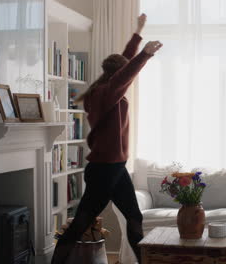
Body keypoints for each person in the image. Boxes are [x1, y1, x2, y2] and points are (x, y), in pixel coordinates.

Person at [51, 13, 162, 264]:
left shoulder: (106, 89)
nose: (127, 78)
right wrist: (145, 54)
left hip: (115, 167)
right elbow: (126, 73)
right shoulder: (107, 93)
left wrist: (138, 32)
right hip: (104, 169)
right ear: (117, 75)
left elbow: (125, 64)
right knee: (81, 222)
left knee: (135, 217)